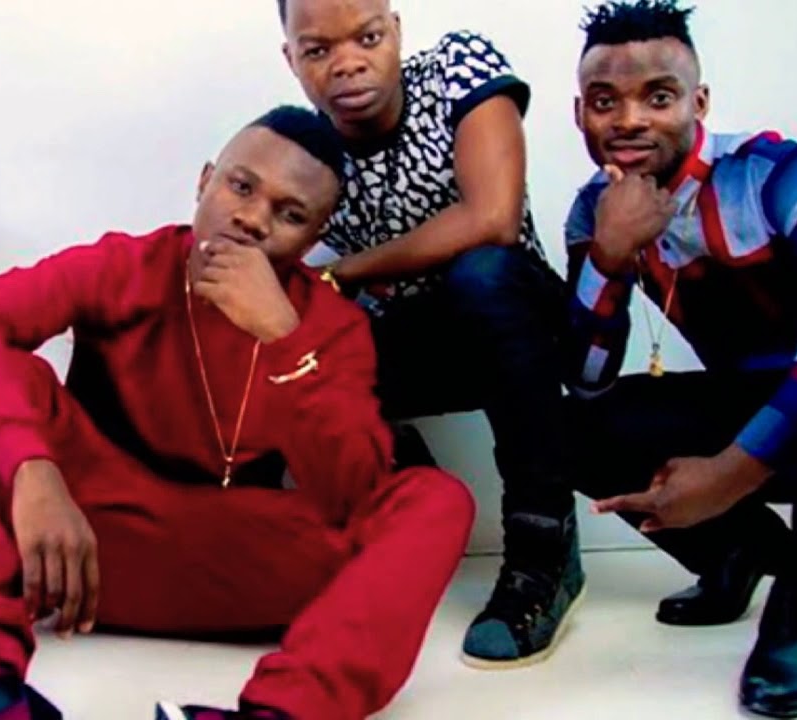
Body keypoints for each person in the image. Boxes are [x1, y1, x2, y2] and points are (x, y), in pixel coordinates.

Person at [0, 106, 475, 720]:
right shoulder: (127, 265)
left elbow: (350, 494)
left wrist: (284, 338)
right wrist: (31, 471)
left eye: (290, 214)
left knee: (435, 498)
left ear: (313, 239)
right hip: (90, 555)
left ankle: (281, 715)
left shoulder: (332, 326)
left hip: (249, 571)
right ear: (204, 182)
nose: (252, 219)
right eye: (241, 186)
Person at [276, 0, 583, 669]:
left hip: (522, 324)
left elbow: (493, 218)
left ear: (396, 30)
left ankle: (544, 550)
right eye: (318, 50)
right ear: (291, 59)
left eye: (367, 37)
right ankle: (410, 512)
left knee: (483, 272)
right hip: (425, 343)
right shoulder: (307, 155)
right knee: (295, 348)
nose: (347, 63)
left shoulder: (455, 68)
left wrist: (347, 271)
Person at [563, 1, 797, 716]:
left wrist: (732, 473)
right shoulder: (595, 211)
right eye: (605, 102)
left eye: (658, 97)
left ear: (699, 103)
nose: (629, 121)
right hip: (750, 402)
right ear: (579, 114)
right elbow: (585, 379)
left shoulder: (780, 170)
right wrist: (609, 257)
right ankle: (737, 555)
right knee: (571, 429)